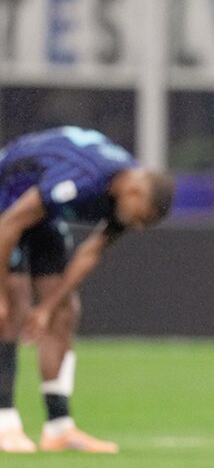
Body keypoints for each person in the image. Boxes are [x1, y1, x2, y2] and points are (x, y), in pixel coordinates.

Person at [0, 126, 175, 454]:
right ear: (134, 192)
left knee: (65, 312)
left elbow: (89, 252)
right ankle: (4, 422)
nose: (136, 227)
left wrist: (49, 307)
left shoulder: (126, 195)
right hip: (7, 205)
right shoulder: (81, 179)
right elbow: (9, 224)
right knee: (11, 308)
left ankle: (59, 428)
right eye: (140, 219)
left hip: (42, 213)